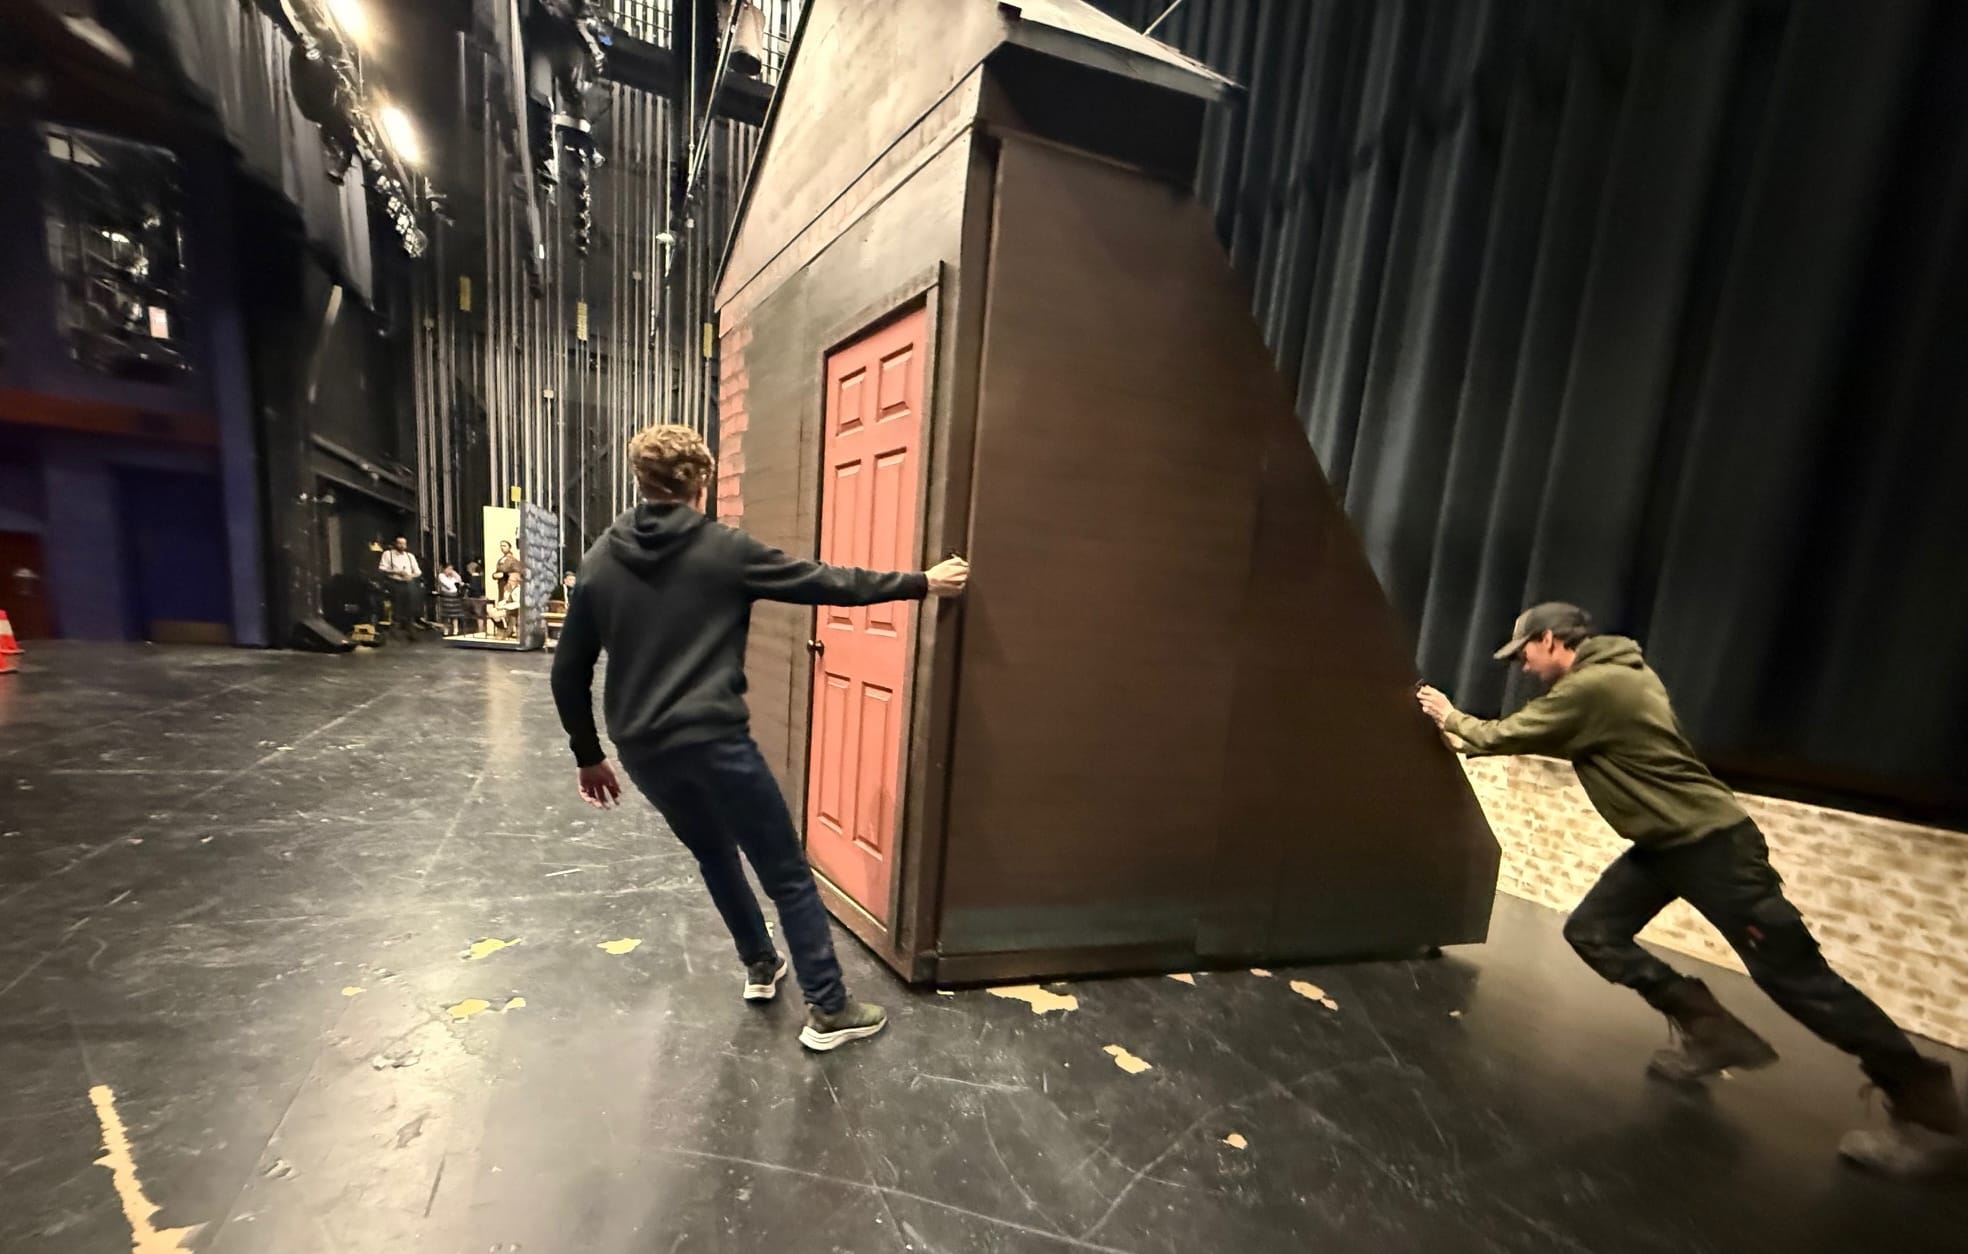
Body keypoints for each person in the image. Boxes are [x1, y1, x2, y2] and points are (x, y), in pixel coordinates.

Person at [1416, 602, 1962, 1178]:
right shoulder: (1617, 676)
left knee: (1799, 980)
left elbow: (1510, 733)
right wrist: (1468, 739)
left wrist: (1450, 716)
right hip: (1667, 847)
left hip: (1711, 848)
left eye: (1523, 652)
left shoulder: (1598, 686)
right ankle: (1711, 1031)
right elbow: (1553, 736)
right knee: (1594, 931)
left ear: (1551, 640)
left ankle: (1931, 1113)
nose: (1523, 666)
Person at [550, 423, 969, 1052]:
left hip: (642, 748)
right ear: (702, 481)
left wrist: (589, 757)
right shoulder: (725, 550)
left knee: (713, 853)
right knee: (788, 874)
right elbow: (826, 582)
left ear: (641, 480)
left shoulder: (599, 560)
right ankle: (828, 1008)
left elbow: (568, 671)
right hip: (715, 741)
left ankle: (760, 964)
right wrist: (923, 582)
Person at [378, 536, 423, 639]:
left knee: (410, 607)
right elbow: (382, 568)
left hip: (408, 583)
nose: (402, 546)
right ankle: (395, 631)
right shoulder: (388, 554)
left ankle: (410, 631)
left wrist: (410, 575)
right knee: (397, 607)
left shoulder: (409, 556)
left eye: (404, 544)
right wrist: (397, 572)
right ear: (395, 544)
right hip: (395, 583)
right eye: (400, 543)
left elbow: (418, 571)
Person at [435, 563, 466, 636]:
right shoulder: (441, 576)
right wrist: (453, 580)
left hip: (454, 595)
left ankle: (456, 629)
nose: (450, 571)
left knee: (455, 614)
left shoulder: (453, 575)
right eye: (448, 569)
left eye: (451, 569)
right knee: (446, 615)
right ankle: (446, 630)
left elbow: (460, 581)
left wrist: (455, 574)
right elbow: (449, 585)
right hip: (446, 595)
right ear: (444, 569)